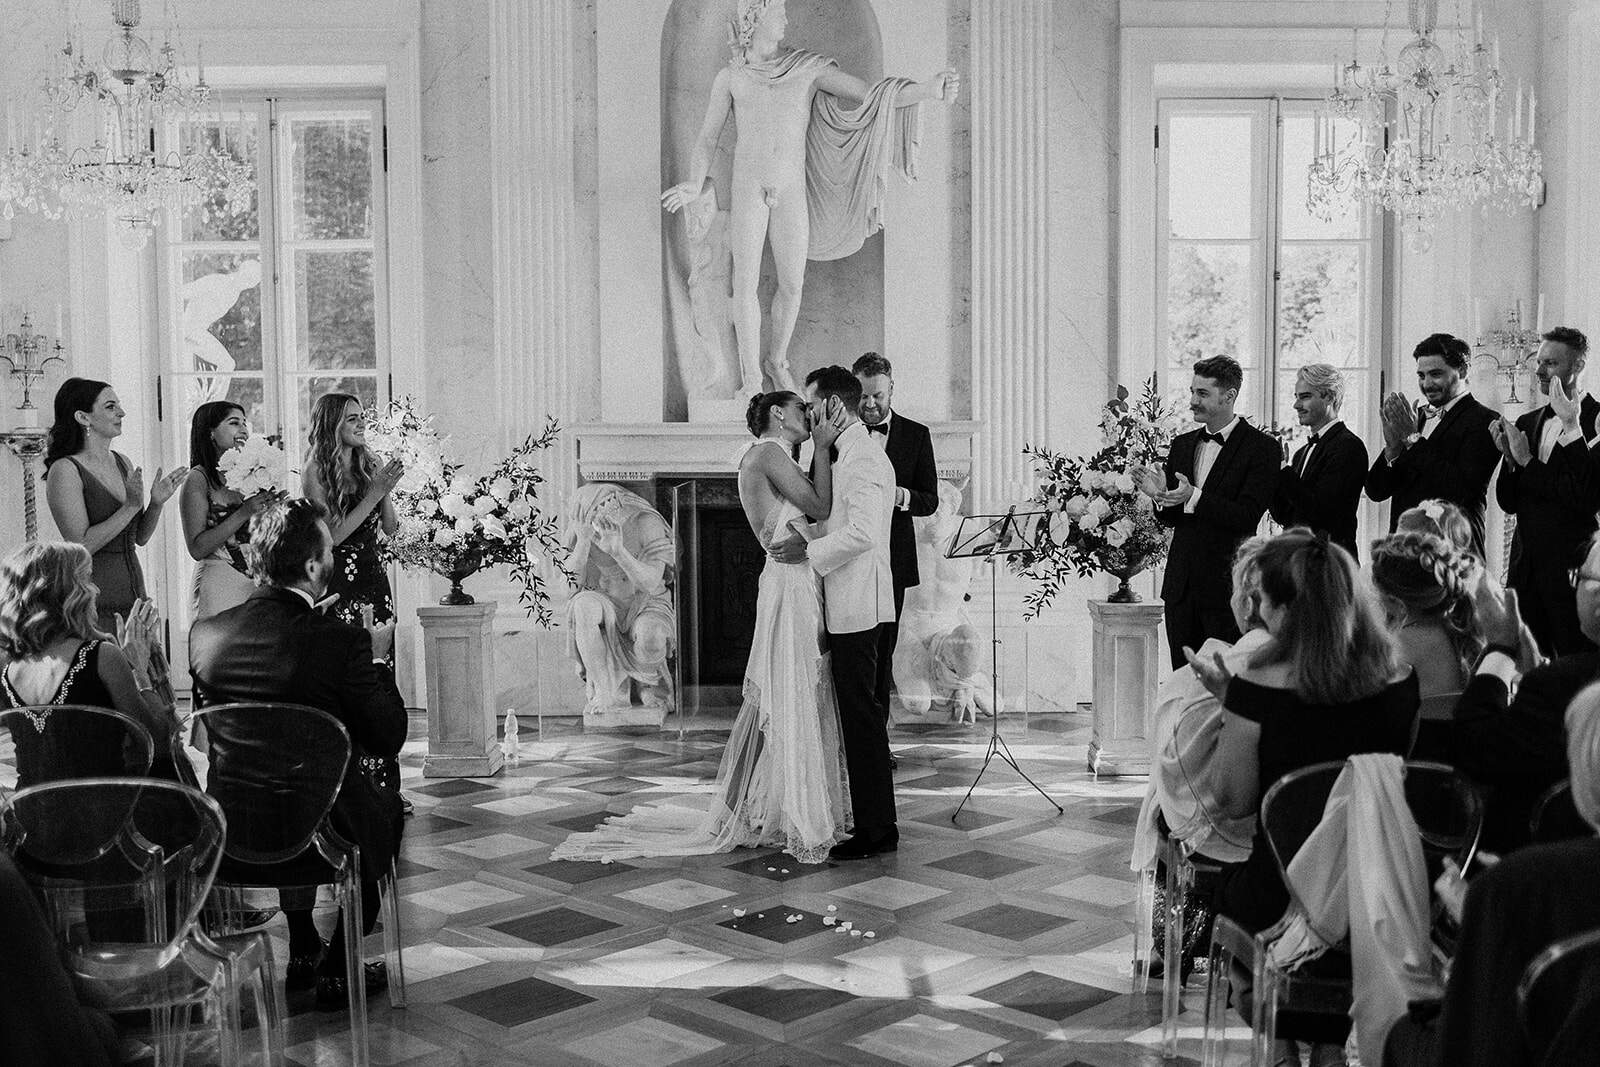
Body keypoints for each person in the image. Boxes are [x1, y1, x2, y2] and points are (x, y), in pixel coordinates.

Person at [553, 390, 852, 863]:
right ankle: (742, 811)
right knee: (780, 694)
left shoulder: (771, 455)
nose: (809, 415)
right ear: (778, 414)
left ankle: (758, 807)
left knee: (781, 695)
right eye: (802, 408)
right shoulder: (767, 453)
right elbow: (819, 506)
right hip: (789, 587)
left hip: (794, 580)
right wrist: (822, 444)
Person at [1189, 530, 1418, 1064]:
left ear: (1285, 609)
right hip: (1375, 894)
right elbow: (1381, 779)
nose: (1256, 609)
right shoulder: (1400, 677)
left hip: (1283, 896)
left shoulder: (1258, 685)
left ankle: (1280, 1044)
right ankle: (1331, 1048)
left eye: (1262, 598)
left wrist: (1233, 707)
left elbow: (1231, 800)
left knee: (1227, 900)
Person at [661, 0, 957, 395]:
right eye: (777, 13)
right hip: (748, 187)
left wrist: (926, 91)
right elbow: (707, 138)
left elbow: (870, 94)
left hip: (790, 189)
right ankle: (752, 380)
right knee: (744, 283)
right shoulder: (732, 78)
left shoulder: (807, 69)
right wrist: (694, 182)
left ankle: (775, 359)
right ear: (754, 19)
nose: (785, 19)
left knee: (792, 284)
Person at [188, 499, 407, 1009]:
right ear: (312, 567)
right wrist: (376, 660)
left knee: (287, 789)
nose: (332, 556)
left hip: (231, 831)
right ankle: (341, 964)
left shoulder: (207, 636)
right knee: (385, 810)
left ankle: (304, 942)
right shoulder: (342, 643)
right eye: (328, 550)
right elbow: (387, 737)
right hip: (320, 836)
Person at [1382, 685, 1600, 1067]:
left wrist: (1492, 911)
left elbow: (1474, 1044)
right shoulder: (1521, 886)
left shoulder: (1519, 886)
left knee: (1403, 1035)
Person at [770, 365, 899, 859]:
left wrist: (808, 550)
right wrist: (804, 530)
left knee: (862, 721)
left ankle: (877, 832)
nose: (806, 414)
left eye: (811, 405)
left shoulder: (863, 456)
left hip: (860, 606)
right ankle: (873, 824)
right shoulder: (848, 451)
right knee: (858, 718)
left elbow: (863, 532)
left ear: (832, 406)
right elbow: (837, 520)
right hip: (850, 602)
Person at [1437, 531, 1600, 852]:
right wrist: (1536, 674)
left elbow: (1473, 748)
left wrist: (1500, 648)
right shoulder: (1561, 680)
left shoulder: (1561, 685)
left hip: (1547, 861)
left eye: (1578, 578)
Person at [0, 542, 191, 786]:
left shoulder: (10, 667)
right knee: (175, 773)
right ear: (67, 593)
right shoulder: (102, 656)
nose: (97, 590)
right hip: (103, 806)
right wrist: (139, 669)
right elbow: (158, 745)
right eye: (88, 579)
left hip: (30, 805)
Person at [1139, 356, 1279, 668]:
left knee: (1225, 680)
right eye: (1192, 391)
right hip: (1181, 588)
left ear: (1229, 396)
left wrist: (1194, 496)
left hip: (1227, 589)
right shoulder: (1182, 444)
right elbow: (1174, 519)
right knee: (1182, 679)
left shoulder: (1262, 448)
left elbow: (1246, 516)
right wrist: (1160, 497)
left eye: (1202, 393)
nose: (1192, 401)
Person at [44, 377, 186, 635]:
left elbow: (139, 537)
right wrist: (130, 507)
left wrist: (156, 503)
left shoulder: (122, 462)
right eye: (110, 406)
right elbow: (80, 546)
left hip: (135, 593)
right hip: (94, 597)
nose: (121, 412)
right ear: (83, 417)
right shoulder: (64, 470)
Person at [844, 353, 938, 733]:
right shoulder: (839, 437)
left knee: (883, 654)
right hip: (848, 561)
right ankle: (848, 739)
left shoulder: (917, 435)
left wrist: (897, 495)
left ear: (891, 390)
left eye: (877, 396)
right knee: (851, 656)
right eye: (863, 396)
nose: (869, 404)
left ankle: (877, 743)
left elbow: (929, 500)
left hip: (893, 563)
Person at [1493, 326, 1600, 657]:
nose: (1539, 371)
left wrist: (1528, 462)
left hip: (1571, 571)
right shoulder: (1528, 421)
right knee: (1524, 663)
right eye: (1538, 362)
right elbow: (1508, 502)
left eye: (1550, 363)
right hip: (1524, 570)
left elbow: (1586, 498)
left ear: (1578, 366)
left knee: (1574, 664)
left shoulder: (1597, 420)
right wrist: (1511, 461)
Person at [1366, 333, 1500, 556]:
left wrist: (1412, 438)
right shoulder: (1414, 418)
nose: (1427, 384)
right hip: (1405, 552)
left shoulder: (1485, 420)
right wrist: (1392, 449)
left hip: (1454, 553)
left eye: (1436, 374)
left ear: (1463, 371)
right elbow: (1376, 491)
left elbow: (1461, 490)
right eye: (1421, 375)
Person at [563, 484, 677, 718]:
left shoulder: (646, 521)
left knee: (652, 635)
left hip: (646, 601)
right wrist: (583, 542)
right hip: (605, 598)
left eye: (606, 506)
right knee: (582, 607)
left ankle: (647, 684)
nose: (601, 515)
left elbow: (650, 583)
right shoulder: (581, 528)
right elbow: (568, 589)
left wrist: (618, 551)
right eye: (591, 512)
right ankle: (605, 690)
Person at [178, 401, 278, 621]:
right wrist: (244, 512)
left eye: (244, 423)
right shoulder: (197, 479)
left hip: (258, 584)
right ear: (210, 433)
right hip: (218, 583)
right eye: (234, 423)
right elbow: (197, 548)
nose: (243, 429)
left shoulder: (252, 472)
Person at [1370, 531, 1484, 708]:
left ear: (1397, 604)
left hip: (1417, 726)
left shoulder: (1399, 643)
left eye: (1378, 594)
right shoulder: (1457, 629)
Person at [1270, 363, 1369, 558]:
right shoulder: (1301, 453)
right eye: (1296, 397)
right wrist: (1274, 470)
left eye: (1305, 397)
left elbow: (1321, 515)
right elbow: (1286, 516)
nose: (1296, 405)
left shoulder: (1349, 446)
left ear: (1329, 397)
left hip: (1332, 564)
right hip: (1298, 562)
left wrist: (1283, 468)